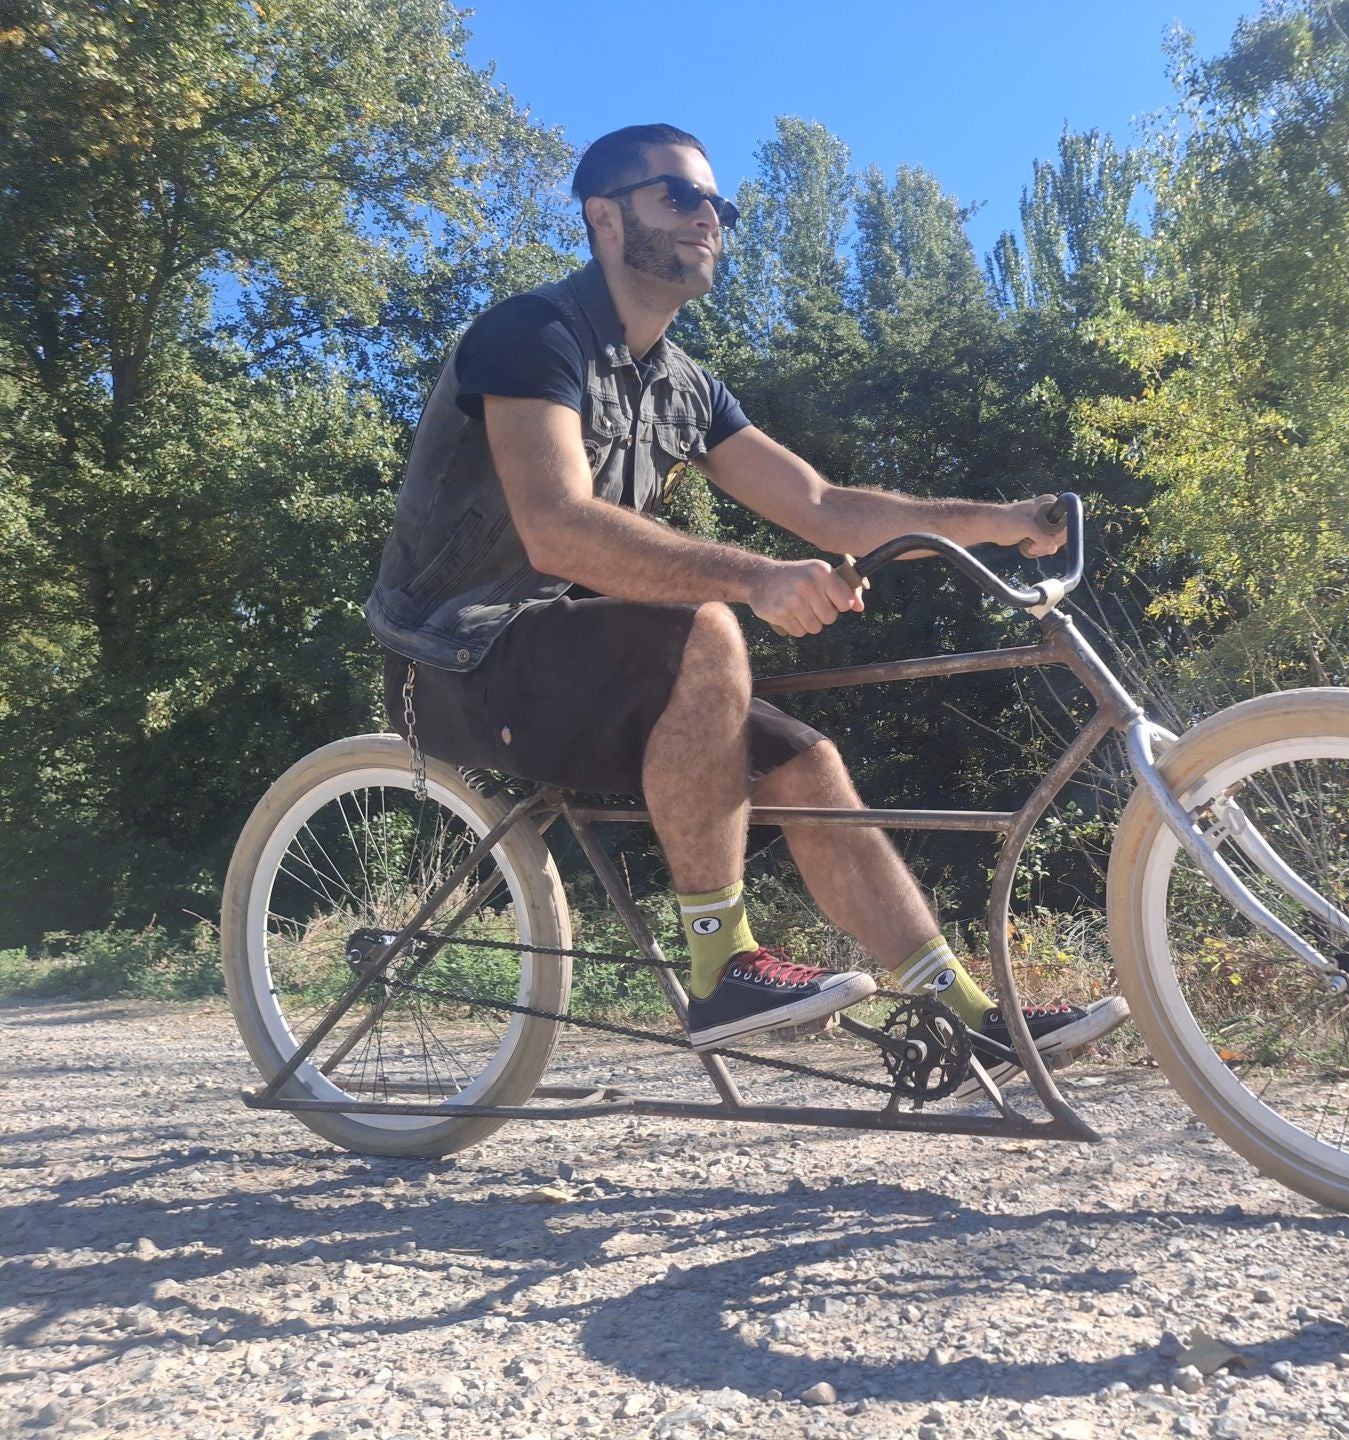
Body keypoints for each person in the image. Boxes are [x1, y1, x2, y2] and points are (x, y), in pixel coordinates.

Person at [365, 123, 1127, 1089]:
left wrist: (1002, 519)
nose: (709, 218)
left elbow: (820, 507)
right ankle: (723, 966)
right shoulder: (534, 335)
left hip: (568, 660)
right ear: (606, 218)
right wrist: (758, 577)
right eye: (679, 197)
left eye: (718, 205)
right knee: (709, 625)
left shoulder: (686, 390)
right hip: (450, 658)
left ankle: (966, 1016)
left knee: (807, 762)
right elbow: (556, 526)